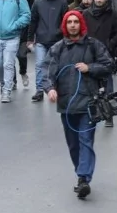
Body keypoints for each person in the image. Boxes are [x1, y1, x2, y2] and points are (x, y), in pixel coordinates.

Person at [41, 11, 113, 199]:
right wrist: (50, 89)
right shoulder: (57, 48)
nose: (73, 25)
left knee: (85, 141)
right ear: (65, 25)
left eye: (76, 22)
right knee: (73, 144)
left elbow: (108, 65)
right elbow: (46, 71)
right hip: (66, 103)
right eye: (69, 22)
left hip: (89, 103)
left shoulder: (93, 45)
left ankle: (83, 179)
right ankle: (80, 173)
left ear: (81, 24)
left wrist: (90, 68)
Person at [82, 0, 117, 126]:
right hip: (89, 54)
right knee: (89, 86)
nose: (99, 0)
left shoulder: (113, 14)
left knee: (107, 87)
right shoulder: (86, 14)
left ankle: (108, 115)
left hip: (106, 55)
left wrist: (110, 44)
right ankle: (91, 115)